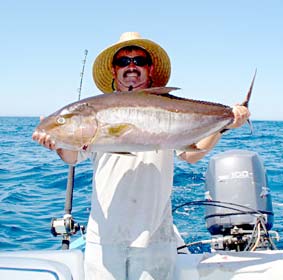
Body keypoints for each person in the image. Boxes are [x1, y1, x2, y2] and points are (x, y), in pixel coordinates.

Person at [32, 32, 250, 280]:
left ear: (150, 67)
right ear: (114, 71)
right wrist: (57, 140)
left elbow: (191, 155)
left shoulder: (165, 106)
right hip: (104, 241)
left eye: (139, 60)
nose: (131, 66)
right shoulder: (95, 113)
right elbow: (72, 157)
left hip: (155, 240)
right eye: (123, 62)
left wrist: (225, 123)